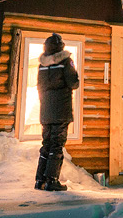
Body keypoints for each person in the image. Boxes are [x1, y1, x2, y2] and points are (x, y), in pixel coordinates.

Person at [35, 33, 80, 191]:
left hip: (45, 110)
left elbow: (39, 86)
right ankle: (52, 180)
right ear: (61, 46)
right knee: (57, 145)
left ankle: (40, 179)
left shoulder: (42, 64)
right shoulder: (66, 62)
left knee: (46, 144)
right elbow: (74, 83)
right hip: (61, 110)